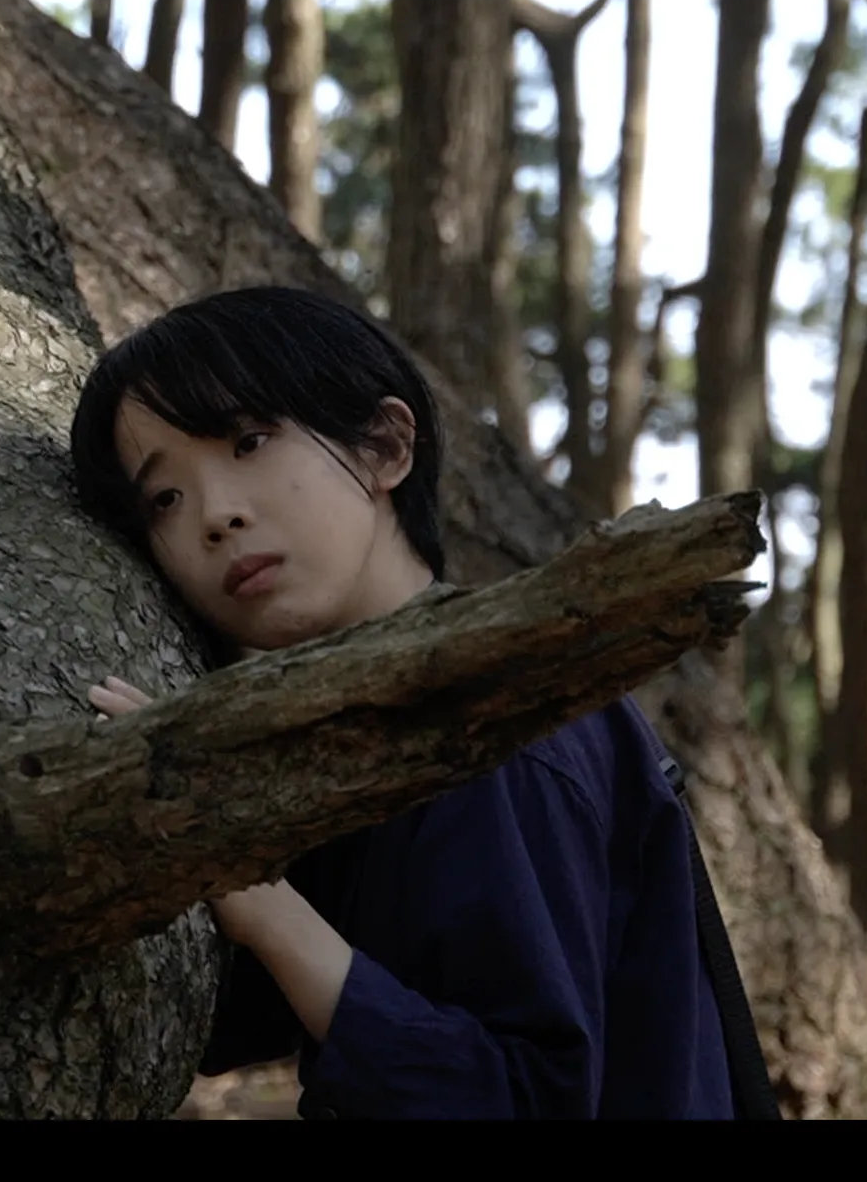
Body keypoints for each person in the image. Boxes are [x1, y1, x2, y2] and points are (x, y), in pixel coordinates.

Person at [68, 286, 750, 1120]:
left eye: (248, 442)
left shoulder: (498, 724)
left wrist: (262, 906)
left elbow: (523, 1097)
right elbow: (225, 1018)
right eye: (164, 500)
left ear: (385, 446)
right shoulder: (352, 728)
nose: (216, 515)